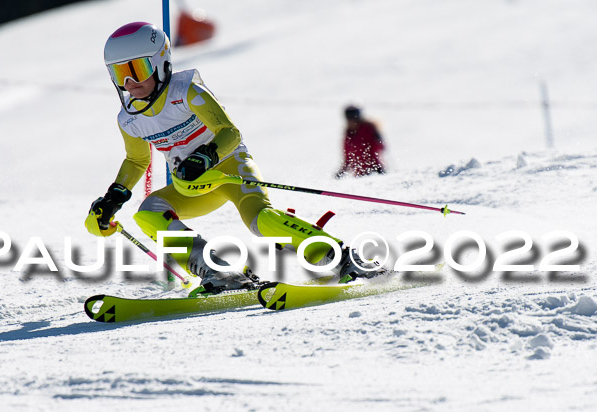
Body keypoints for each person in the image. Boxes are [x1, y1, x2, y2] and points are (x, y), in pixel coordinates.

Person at [85, 22, 386, 294]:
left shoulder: (187, 92)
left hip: (228, 170)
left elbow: (230, 133)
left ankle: (343, 258)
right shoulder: (129, 119)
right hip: (191, 186)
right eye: (119, 74)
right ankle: (222, 273)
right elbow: (137, 161)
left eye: (136, 70)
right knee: (148, 212)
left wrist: (204, 157)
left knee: (260, 220)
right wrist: (113, 198)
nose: (129, 83)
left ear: (160, 63)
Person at [335, 105, 386, 178]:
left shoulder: (368, 129)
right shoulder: (348, 133)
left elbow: (380, 147)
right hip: (360, 175)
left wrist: (377, 138)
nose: (351, 121)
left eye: (353, 119)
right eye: (349, 119)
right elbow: (348, 157)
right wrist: (341, 172)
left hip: (375, 171)